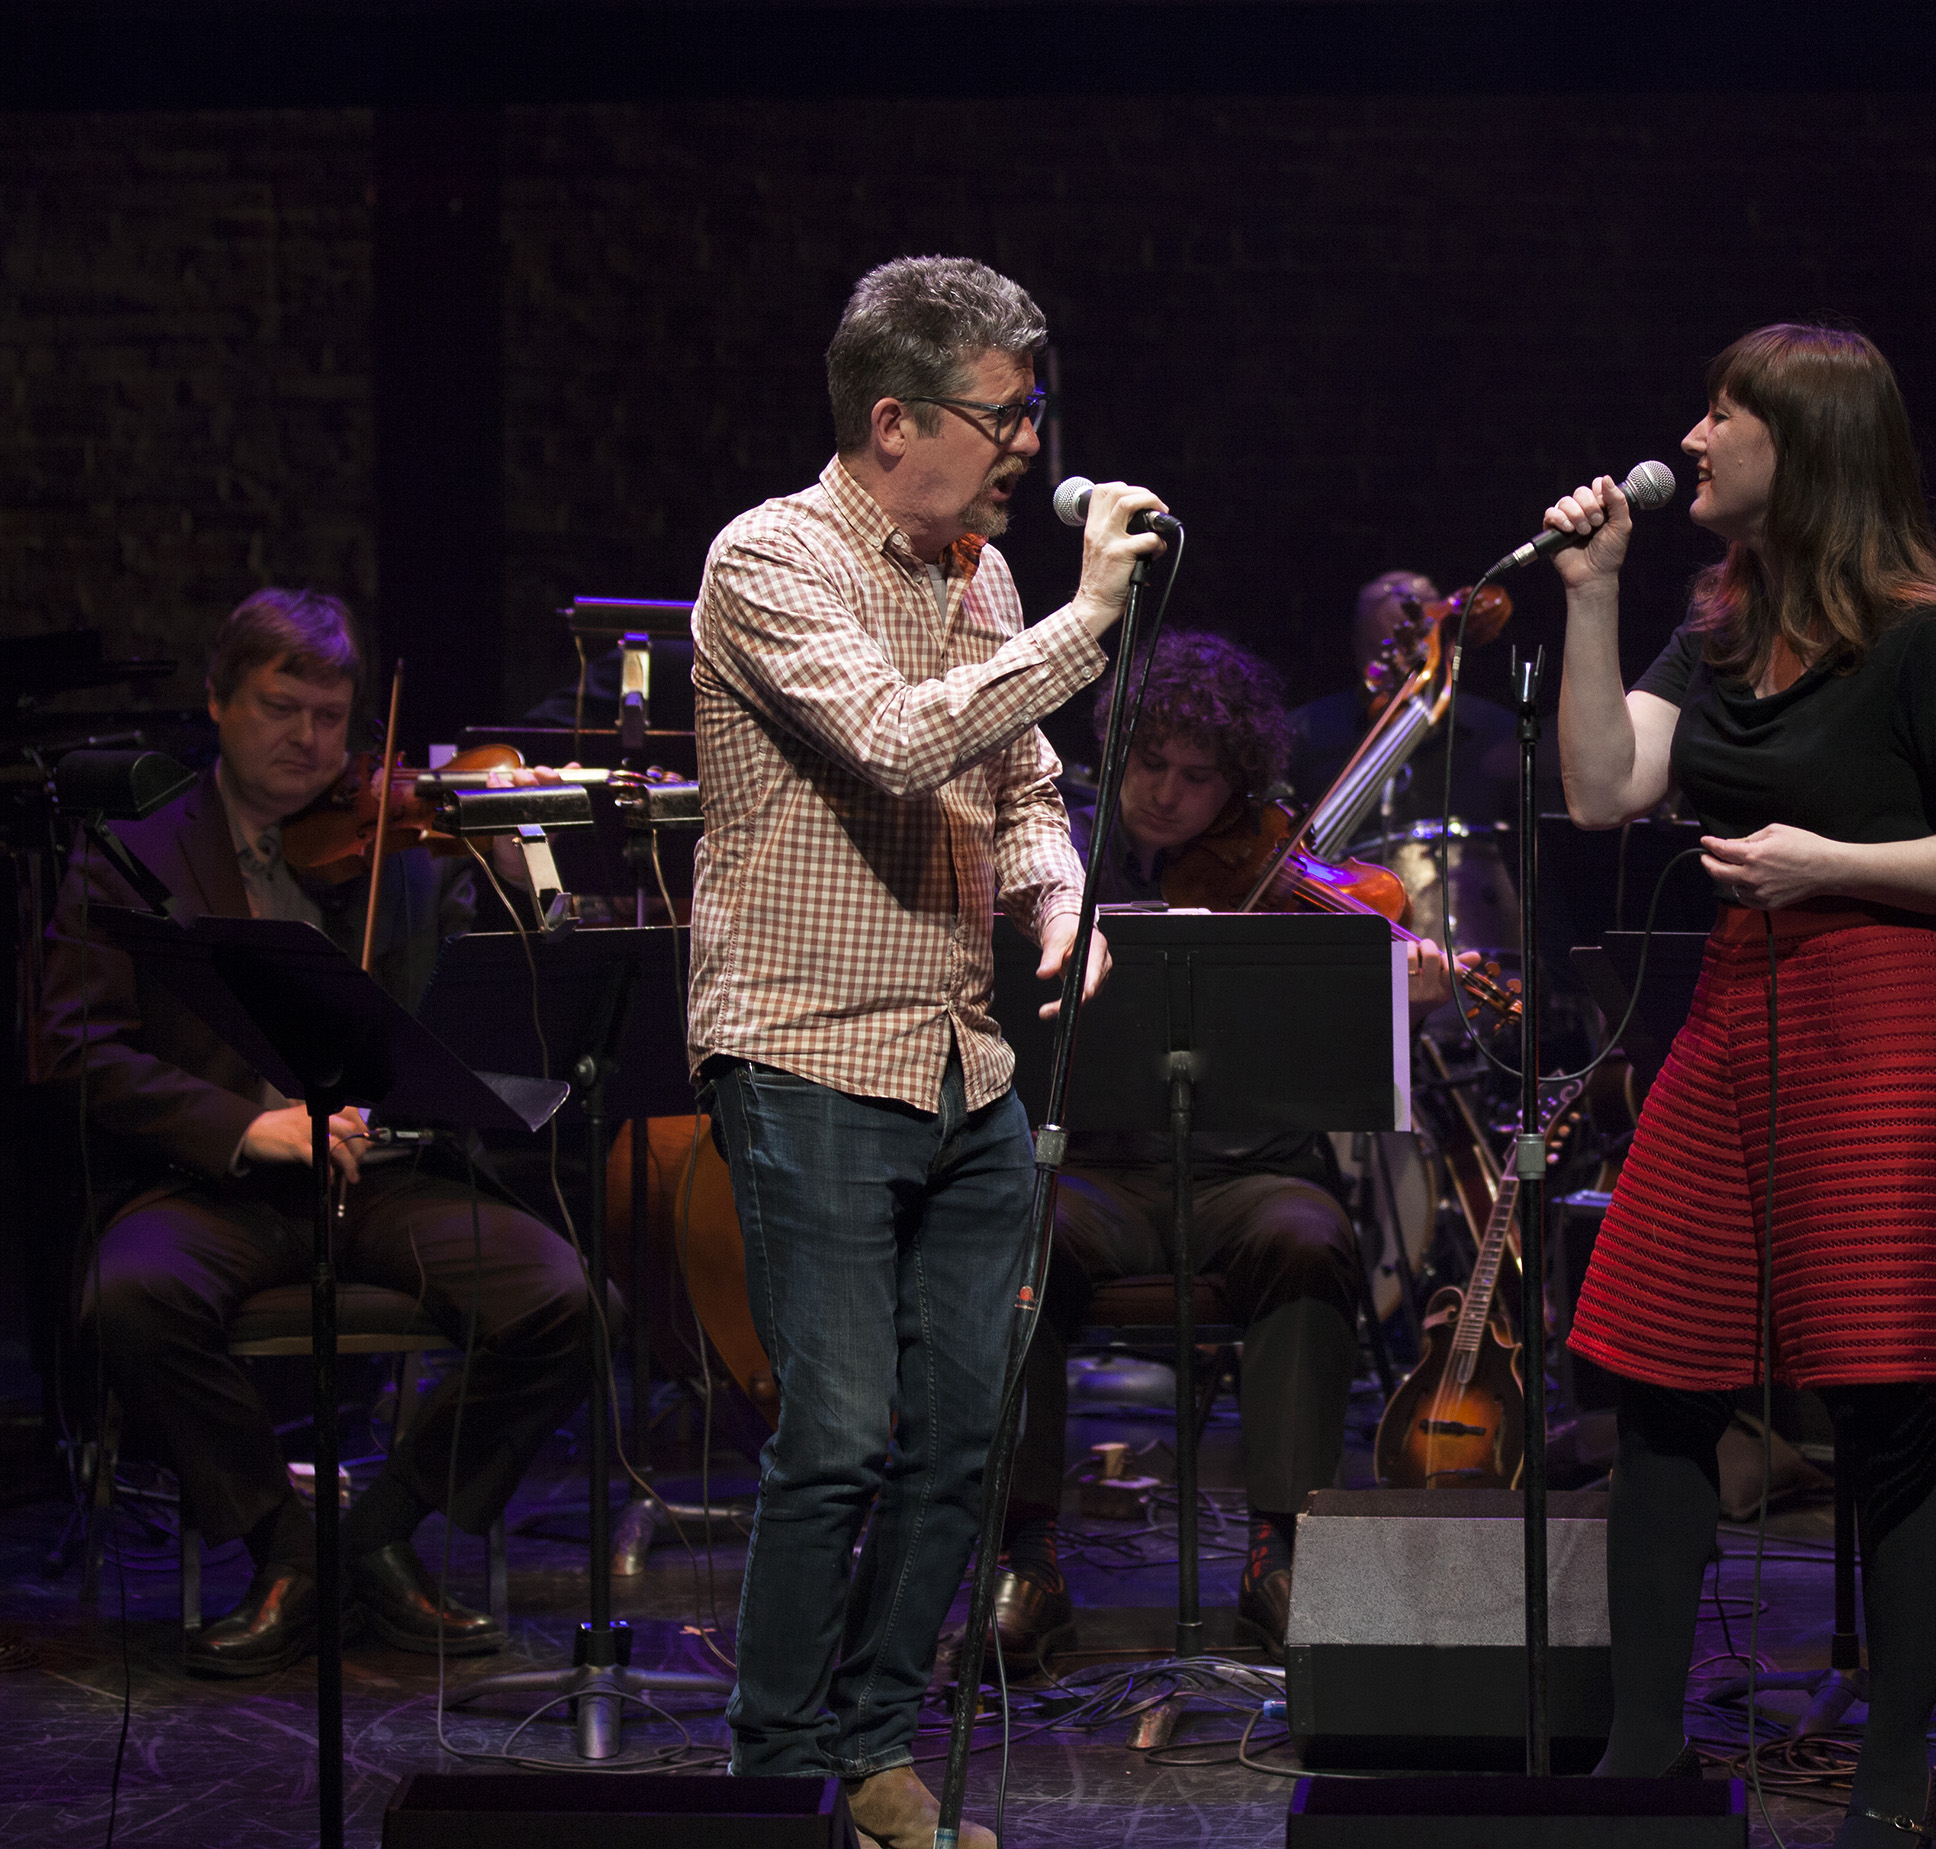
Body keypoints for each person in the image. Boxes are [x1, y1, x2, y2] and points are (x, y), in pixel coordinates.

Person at [1547, 323, 1936, 1846]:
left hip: (1890, 1016)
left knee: (1885, 1394)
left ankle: (1894, 1768)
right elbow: (1604, 788)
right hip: (1740, 1014)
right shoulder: (1716, 627)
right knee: (1658, 1379)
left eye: (1727, 413)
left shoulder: (1927, 633)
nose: (1696, 435)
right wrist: (1592, 600)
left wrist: (1827, 863)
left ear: (1810, 448)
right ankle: (1640, 1757)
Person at [685, 255, 1159, 1848]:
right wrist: (1095, 619)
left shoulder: (982, 575)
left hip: (964, 1056)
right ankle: (774, 1778)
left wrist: (1059, 889)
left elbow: (1020, 785)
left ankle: (879, 1750)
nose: (1028, 443)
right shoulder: (771, 557)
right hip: (811, 1043)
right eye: (1003, 413)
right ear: (895, 421)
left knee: (964, 1433)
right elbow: (895, 733)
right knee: (833, 1434)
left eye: (1035, 411)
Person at [40, 587, 598, 1678]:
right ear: (217, 703)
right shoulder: (133, 860)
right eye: (278, 708)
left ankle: (380, 1530)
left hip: (387, 1179)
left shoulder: (398, 854)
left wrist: (508, 881)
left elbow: (481, 1018)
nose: (309, 741)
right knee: (125, 1296)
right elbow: (77, 1048)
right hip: (216, 1184)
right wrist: (246, 1126)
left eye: (332, 718)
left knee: (567, 1303)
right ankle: (281, 1542)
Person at [987, 630, 1457, 1664]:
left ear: (1238, 781)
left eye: (1197, 777)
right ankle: (1026, 1551)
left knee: (1310, 1231)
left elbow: (1348, 1055)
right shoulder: (1053, 855)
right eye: (1148, 763)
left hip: (1249, 1179)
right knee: (1016, 1230)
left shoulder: (1284, 881)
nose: (1163, 793)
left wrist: (1403, 996)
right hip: (1100, 1178)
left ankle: (1280, 1553)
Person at [1285, 570, 1536, 835]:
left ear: (1448, 646)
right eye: (1380, 651)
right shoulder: (1298, 734)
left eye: (1410, 650)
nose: (1394, 669)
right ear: (1356, 648)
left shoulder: (1502, 734)